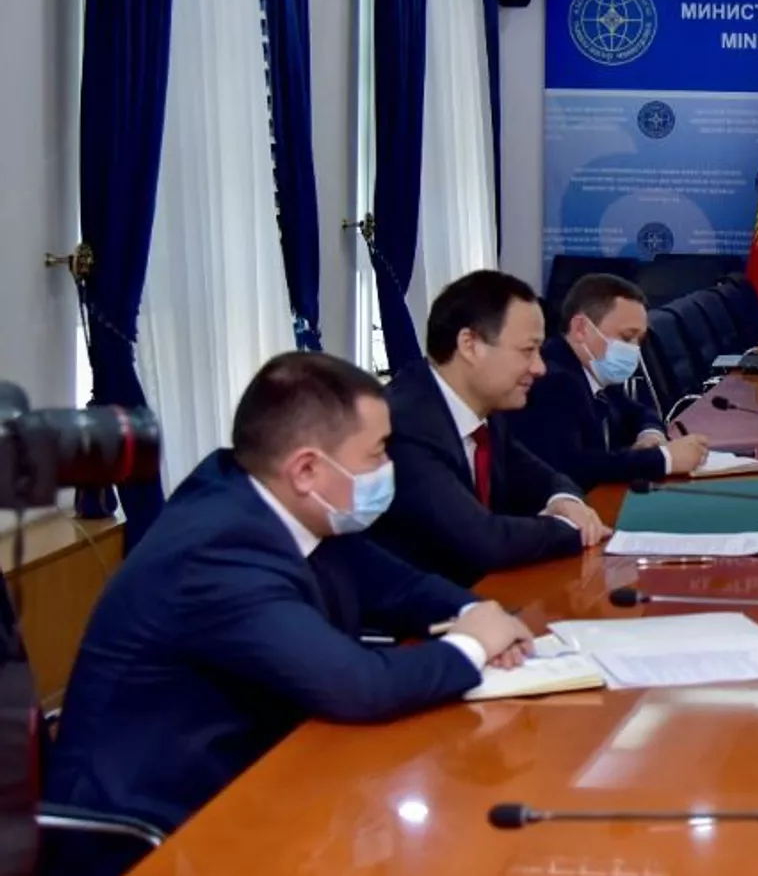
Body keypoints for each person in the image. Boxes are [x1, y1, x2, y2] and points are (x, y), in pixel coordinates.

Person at [44, 353, 535, 872]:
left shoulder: (282, 501)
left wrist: (479, 612)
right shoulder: (218, 551)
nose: (391, 468)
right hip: (154, 831)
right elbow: (357, 685)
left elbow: (399, 587)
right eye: (378, 453)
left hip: (254, 775)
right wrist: (472, 644)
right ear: (306, 469)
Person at [374, 270, 611, 586]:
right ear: (470, 345)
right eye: (527, 350)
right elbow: (483, 540)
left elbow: (545, 478)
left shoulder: (486, 411)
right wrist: (570, 528)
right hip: (423, 609)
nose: (540, 368)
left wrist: (566, 501)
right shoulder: (405, 423)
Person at [510, 273, 709, 487]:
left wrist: (650, 435)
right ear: (581, 329)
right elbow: (573, 467)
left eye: (639, 341)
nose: (634, 349)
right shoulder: (552, 380)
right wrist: (664, 459)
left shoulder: (596, 370)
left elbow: (639, 412)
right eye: (626, 337)